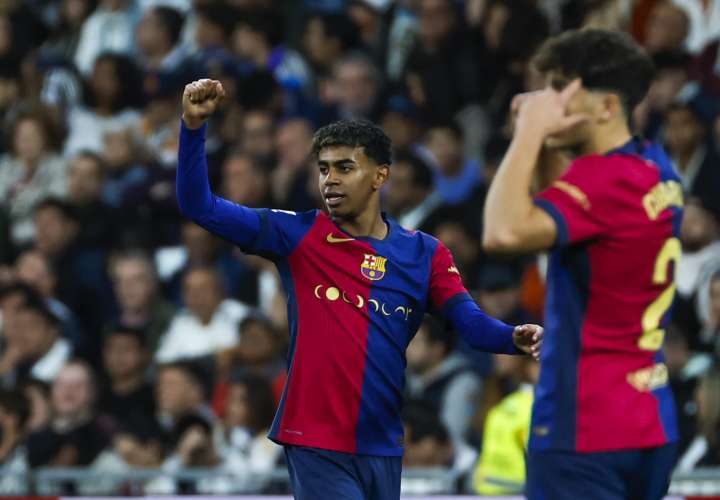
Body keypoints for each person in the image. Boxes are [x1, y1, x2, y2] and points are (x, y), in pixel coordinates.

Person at [177, 78, 543, 500]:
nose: (329, 180)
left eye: (344, 167)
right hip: (316, 441)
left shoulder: (425, 253)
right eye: (323, 168)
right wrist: (192, 128)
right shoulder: (298, 234)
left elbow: (470, 323)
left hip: (382, 443)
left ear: (380, 175)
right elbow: (198, 205)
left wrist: (513, 337)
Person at [483, 29, 682, 500]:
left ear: (606, 107)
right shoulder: (654, 168)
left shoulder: (603, 182)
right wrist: (549, 136)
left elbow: (502, 232)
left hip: (584, 426)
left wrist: (528, 132)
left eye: (560, 90)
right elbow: (562, 200)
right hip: (648, 417)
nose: (547, 102)